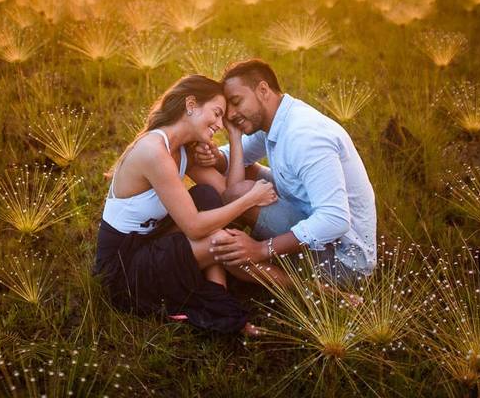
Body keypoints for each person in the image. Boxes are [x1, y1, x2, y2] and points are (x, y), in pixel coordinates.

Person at [93, 74, 278, 335]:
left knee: (206, 197)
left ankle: (218, 297)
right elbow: (194, 227)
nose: (219, 124)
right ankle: (225, 306)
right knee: (218, 240)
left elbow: (227, 194)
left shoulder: (182, 150)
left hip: (149, 241)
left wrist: (235, 139)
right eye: (216, 113)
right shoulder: (153, 151)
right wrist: (252, 198)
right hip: (123, 269)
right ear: (191, 104)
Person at [197, 59, 377, 283]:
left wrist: (262, 249)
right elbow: (239, 156)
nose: (230, 114)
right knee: (246, 173)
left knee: (240, 193)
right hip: (311, 218)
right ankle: (227, 241)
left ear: (263, 90)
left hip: (344, 261)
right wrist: (217, 155)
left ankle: (309, 287)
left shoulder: (304, 136)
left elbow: (335, 219)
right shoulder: (277, 118)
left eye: (236, 101)